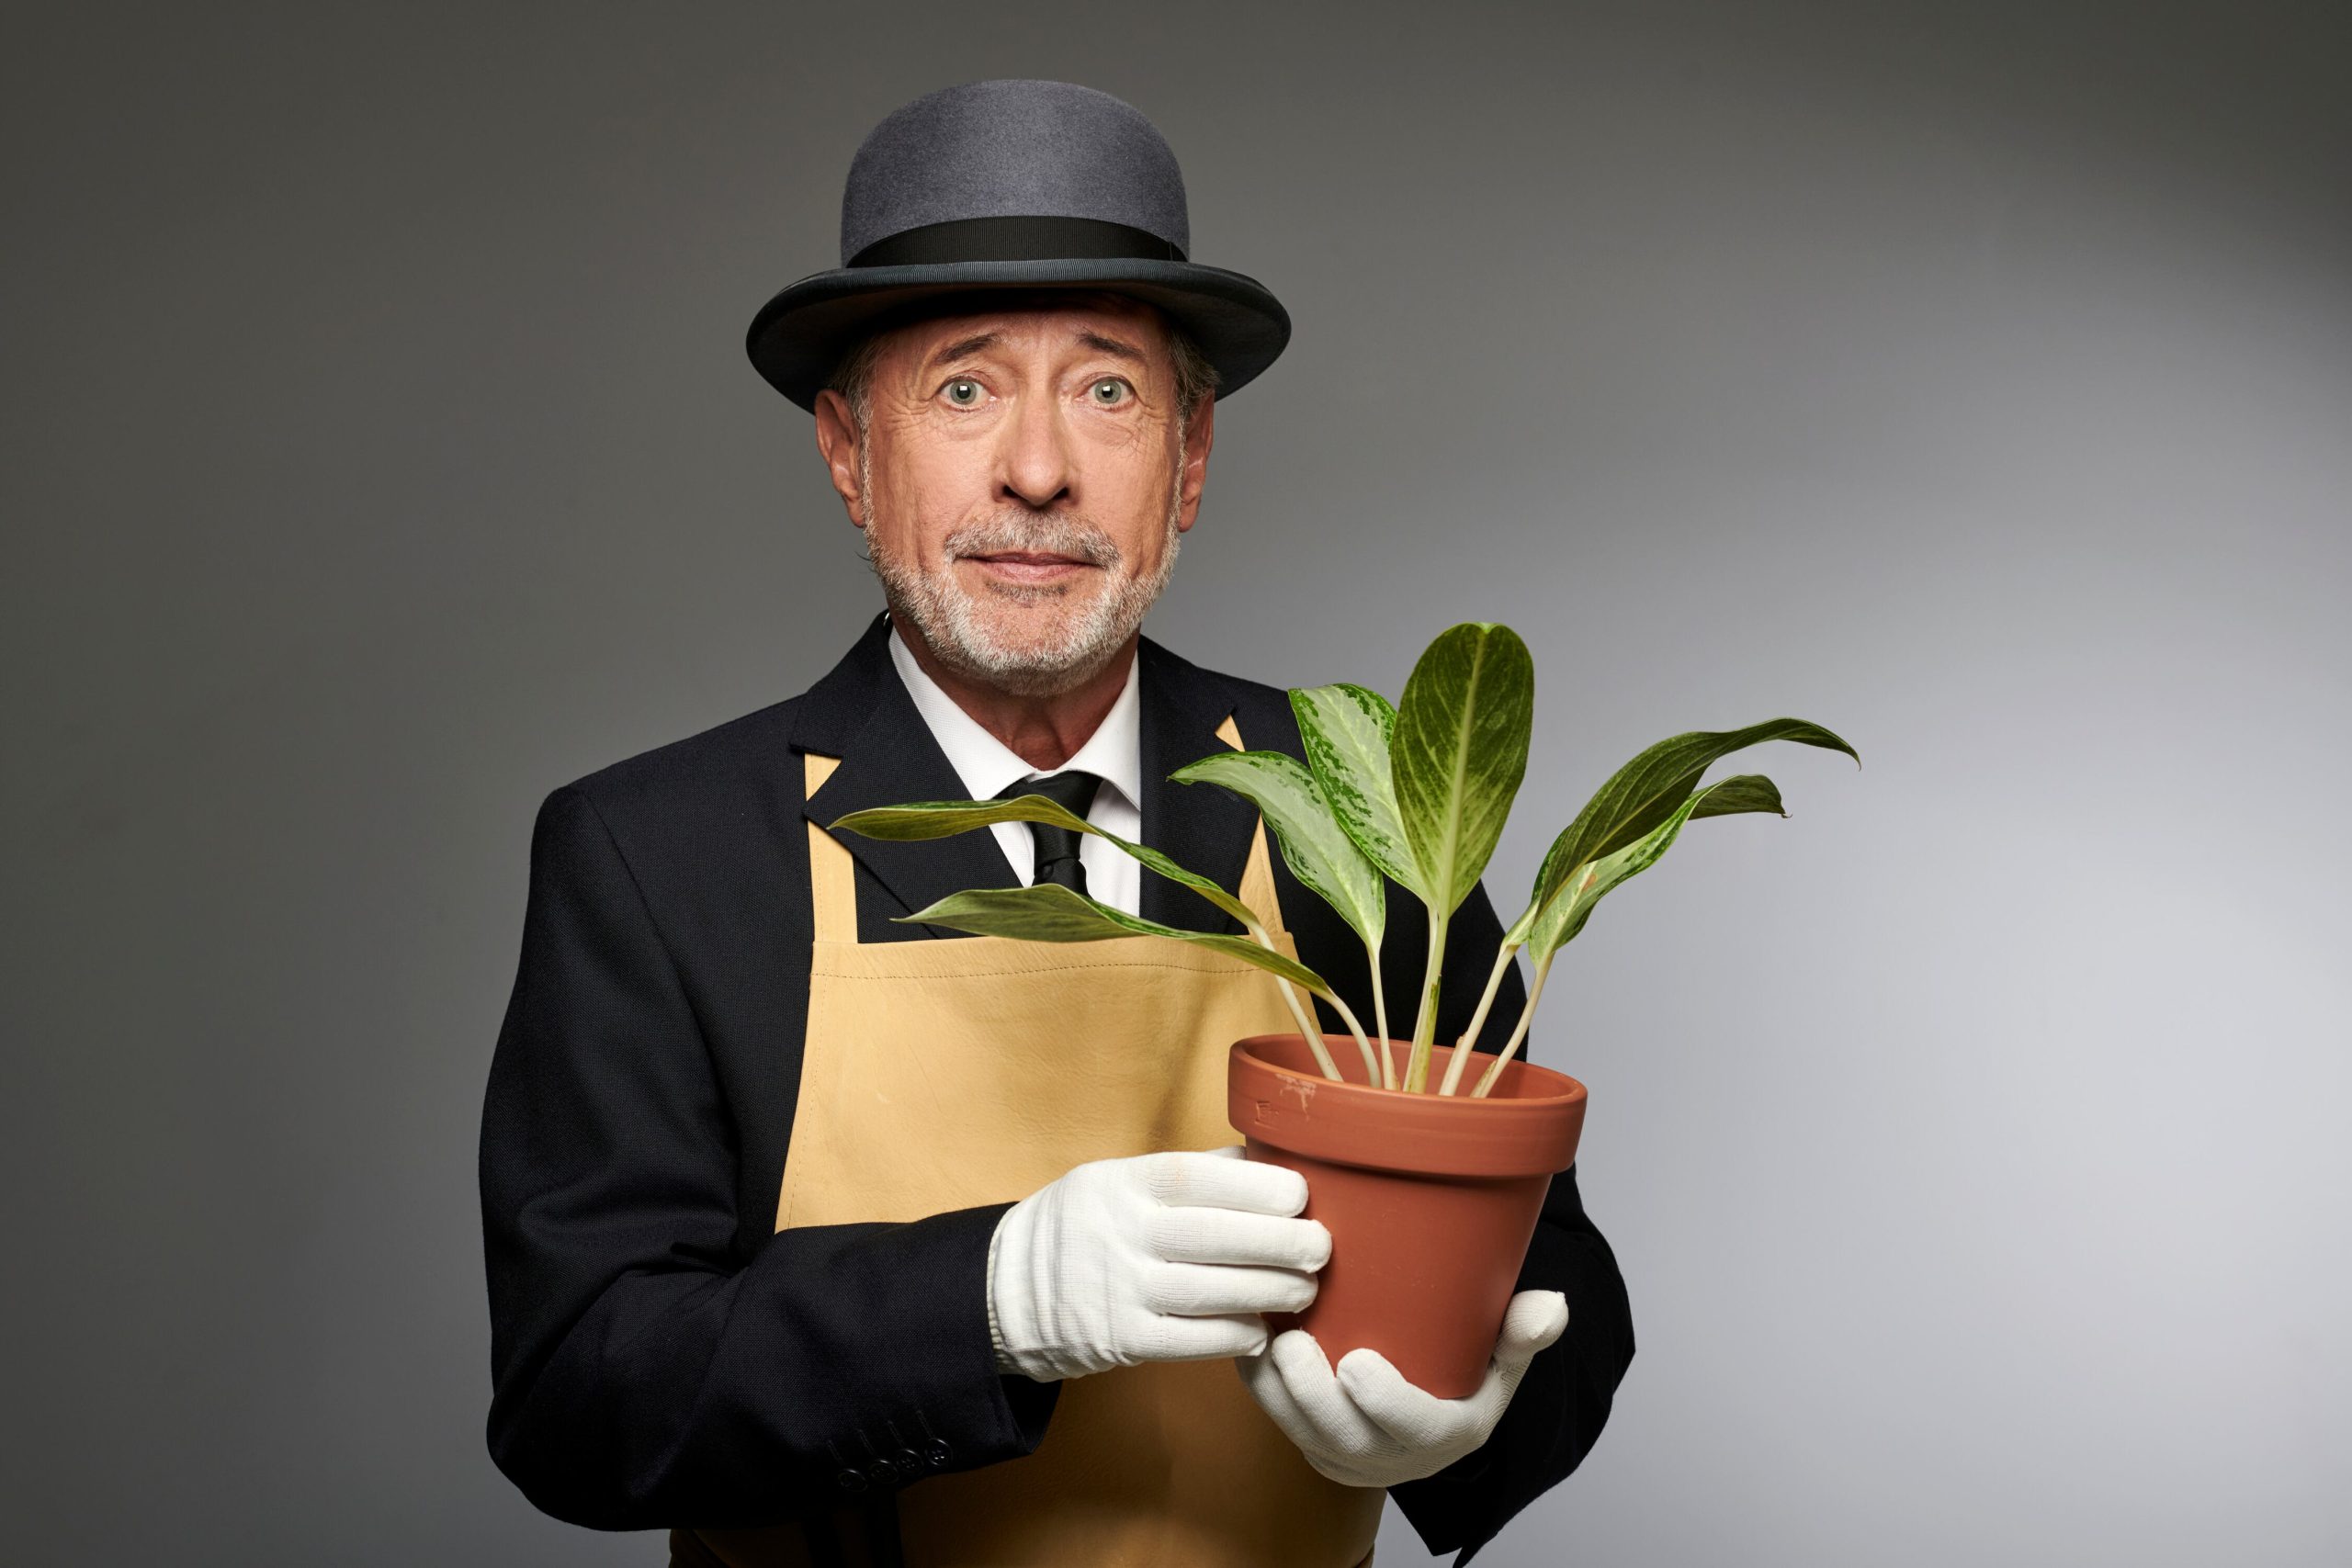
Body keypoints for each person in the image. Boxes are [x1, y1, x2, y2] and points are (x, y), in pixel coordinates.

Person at [479, 79, 1634, 1568]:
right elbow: (581, 1394)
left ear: (1191, 463)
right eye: (964, 389)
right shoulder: (658, 855)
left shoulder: (1362, 800)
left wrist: (1469, 1416)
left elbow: (1555, 1291)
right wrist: (994, 1301)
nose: (1038, 469)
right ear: (849, 454)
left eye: (1107, 392)